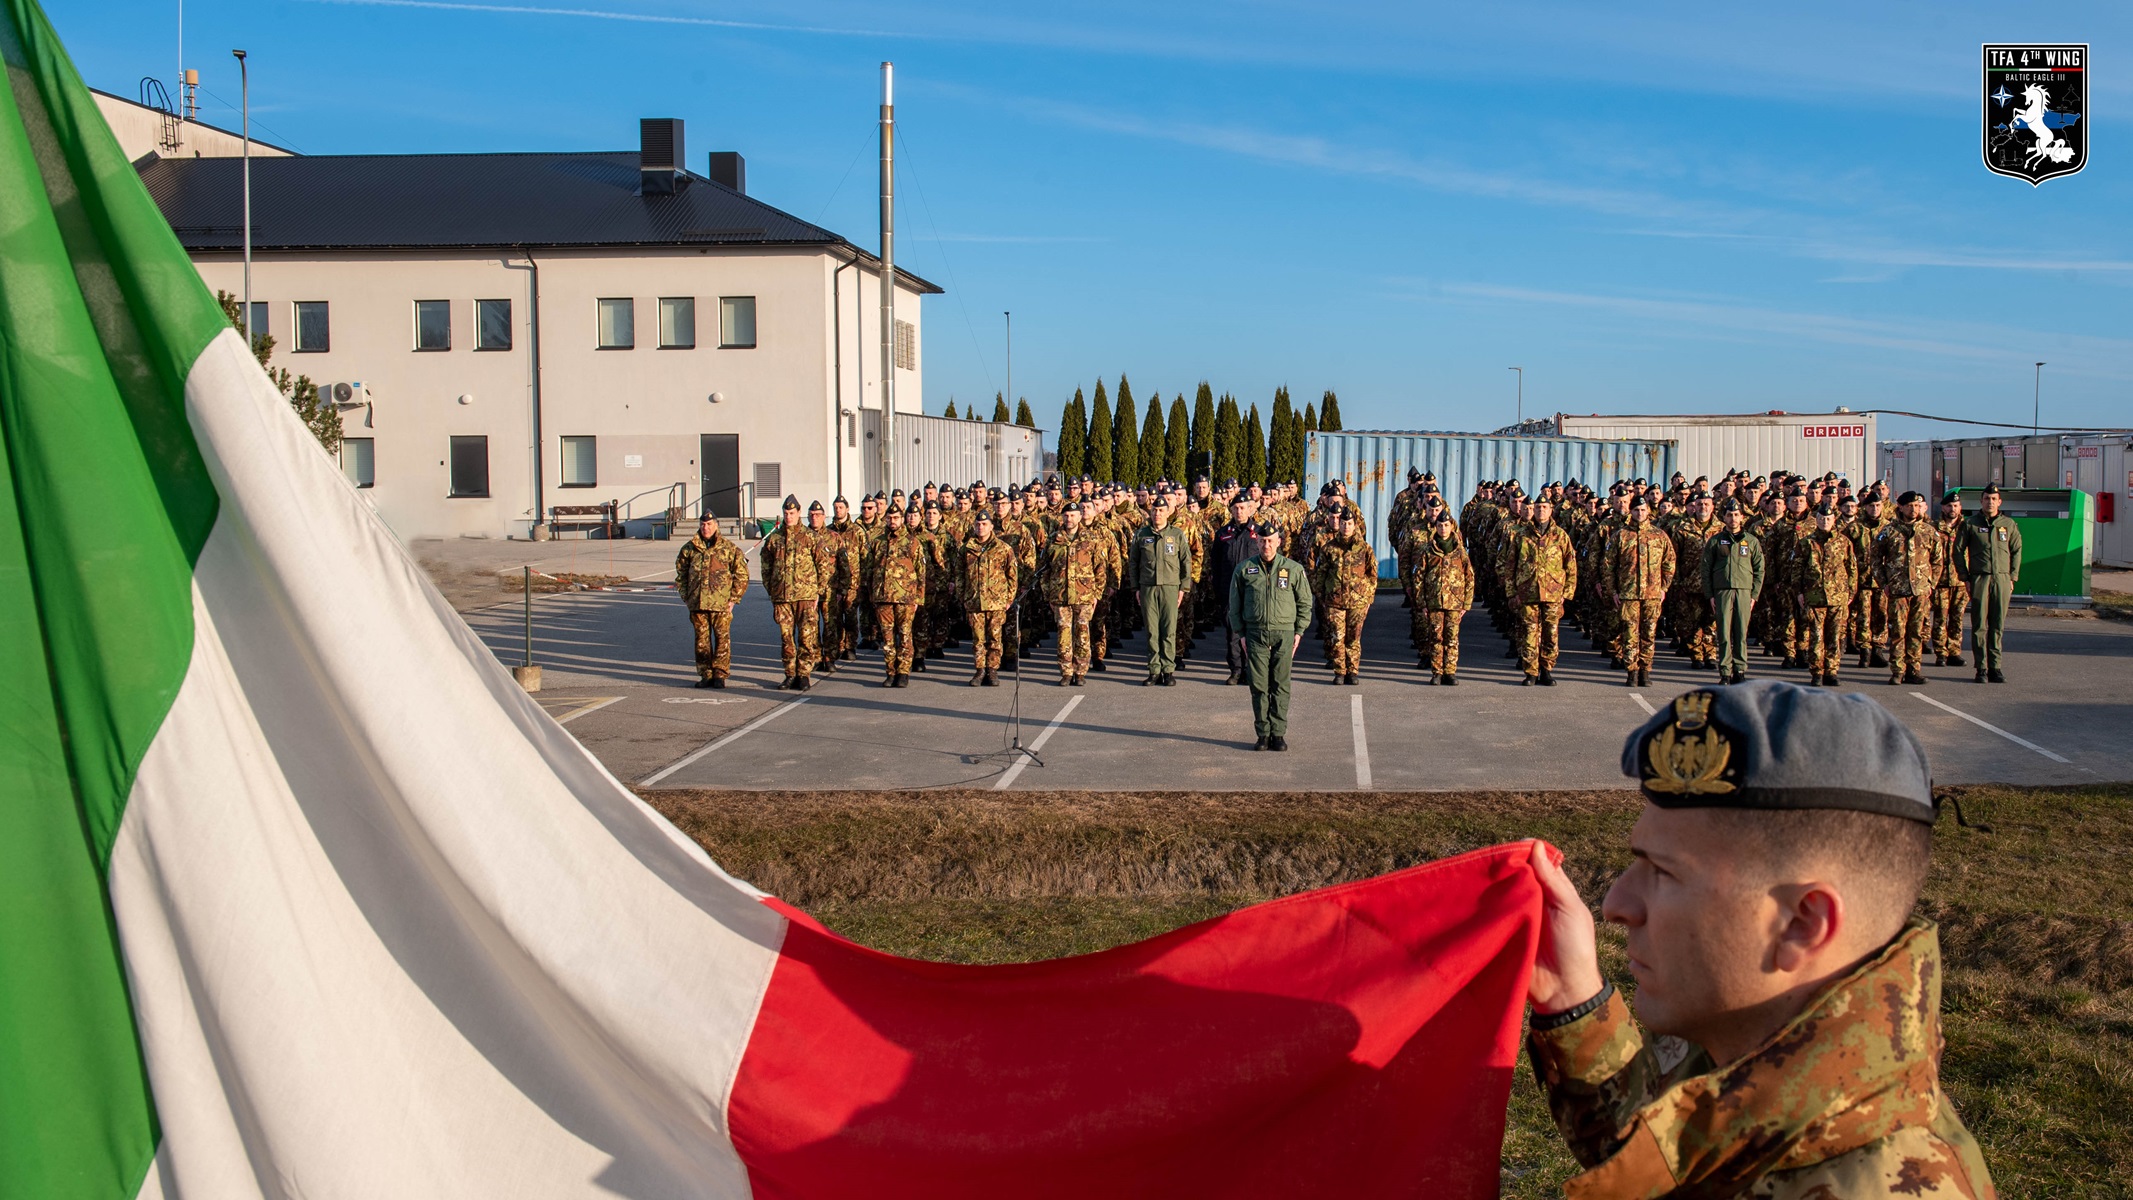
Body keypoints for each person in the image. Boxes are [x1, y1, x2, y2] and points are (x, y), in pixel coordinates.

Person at [1524, 681, 1994, 1197]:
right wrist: (1572, 997)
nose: (1616, 905)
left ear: (1801, 924)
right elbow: (1668, 1154)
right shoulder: (1759, 1049)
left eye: (1663, 872)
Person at [1228, 522, 1313, 751]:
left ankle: (1278, 733)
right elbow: (1234, 604)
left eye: (1271, 540)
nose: (1266, 545)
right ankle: (1263, 733)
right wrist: (1241, 633)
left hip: (1284, 633)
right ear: (1257, 542)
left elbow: (1305, 602)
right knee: (1258, 685)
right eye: (1263, 541)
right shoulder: (1244, 569)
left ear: (1279, 542)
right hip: (1255, 634)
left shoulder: (1293, 569)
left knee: (1280, 684)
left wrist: (1299, 631)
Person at [1599, 493, 1676, 689]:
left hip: (1652, 594)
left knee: (1649, 634)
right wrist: (1613, 591)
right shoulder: (1621, 536)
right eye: (1636, 510)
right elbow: (1608, 566)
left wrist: (1664, 587)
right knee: (1630, 634)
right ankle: (1631, 671)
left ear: (1648, 511)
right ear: (1631, 512)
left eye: (1643, 510)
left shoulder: (1659, 536)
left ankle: (1645, 670)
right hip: (1628, 594)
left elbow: (1669, 562)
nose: (1640, 513)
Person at [1874, 491, 1945, 688]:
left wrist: (1931, 583)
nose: (1913, 510)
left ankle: (1914, 669)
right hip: (1897, 590)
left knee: (1916, 631)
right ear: (1901, 507)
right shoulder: (1888, 532)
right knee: (1898, 631)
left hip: (1920, 590)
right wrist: (1884, 583)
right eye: (1910, 506)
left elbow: (1938, 561)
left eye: (1917, 505)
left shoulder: (1928, 531)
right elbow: (1875, 560)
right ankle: (1897, 671)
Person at [759, 495, 829, 690]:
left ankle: (804, 674)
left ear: (799, 513)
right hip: (782, 597)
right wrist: (772, 591)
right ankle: (790, 674)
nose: (788, 517)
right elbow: (766, 566)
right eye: (786, 513)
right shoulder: (775, 539)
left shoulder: (810, 537)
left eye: (792, 513)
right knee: (786, 638)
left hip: (806, 596)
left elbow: (823, 566)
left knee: (807, 637)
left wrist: (818, 592)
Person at [1956, 484, 2022, 684]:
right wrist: (1965, 577)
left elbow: (2017, 550)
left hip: (2001, 579)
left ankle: (1995, 667)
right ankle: (1981, 668)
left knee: (1997, 625)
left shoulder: (2008, 524)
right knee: (1979, 625)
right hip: (1980, 578)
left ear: (1999, 502)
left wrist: (2012, 577)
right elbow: (1958, 551)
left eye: (1994, 499)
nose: (1990, 502)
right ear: (1981, 501)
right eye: (1986, 498)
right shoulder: (1970, 524)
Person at [673, 513, 747, 689]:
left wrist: (734, 599)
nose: (706, 528)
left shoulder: (728, 548)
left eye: (709, 524)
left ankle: (720, 675)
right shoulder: (689, 549)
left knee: (722, 640)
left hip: (720, 604)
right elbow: (681, 575)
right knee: (701, 641)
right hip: (697, 604)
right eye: (703, 524)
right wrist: (687, 596)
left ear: (716, 525)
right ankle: (705, 674)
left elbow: (742, 575)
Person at [1511, 496, 1578, 686]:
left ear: (1551, 510)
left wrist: (1567, 593)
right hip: (1528, 592)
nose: (1541, 510)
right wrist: (1512, 592)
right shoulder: (1522, 535)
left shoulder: (1560, 536)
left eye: (1545, 507)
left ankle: (1546, 669)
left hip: (1553, 594)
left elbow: (1570, 565)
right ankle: (1531, 672)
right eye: (1538, 507)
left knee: (1551, 633)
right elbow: (1510, 565)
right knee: (1529, 633)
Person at [1791, 502, 1858, 687]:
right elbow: (1797, 570)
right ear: (1816, 521)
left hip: (1837, 597)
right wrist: (1799, 593)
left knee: (1834, 636)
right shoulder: (1806, 543)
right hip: (1814, 596)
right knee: (1816, 636)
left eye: (1828, 519)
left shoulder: (1843, 542)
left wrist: (1851, 591)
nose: (1825, 522)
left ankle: (1831, 670)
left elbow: (1851, 568)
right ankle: (1817, 672)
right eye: (1821, 519)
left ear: (1833, 520)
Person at [864, 504, 928, 687]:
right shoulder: (877, 542)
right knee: (887, 638)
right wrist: (872, 596)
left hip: (905, 598)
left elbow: (921, 571)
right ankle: (890, 671)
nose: (892, 521)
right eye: (889, 518)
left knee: (905, 635)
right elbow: (869, 570)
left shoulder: (912, 542)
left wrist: (918, 598)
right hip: (883, 597)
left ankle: (903, 672)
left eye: (896, 518)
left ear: (902, 519)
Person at [1700, 499, 1764, 685]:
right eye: (1729, 515)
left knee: (1741, 633)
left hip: (1744, 592)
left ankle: (1740, 670)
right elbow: (1706, 569)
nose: (1733, 518)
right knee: (1724, 634)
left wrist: (1754, 595)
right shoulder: (1716, 541)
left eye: (1736, 515)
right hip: (1722, 592)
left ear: (1742, 517)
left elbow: (1760, 569)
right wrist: (1710, 594)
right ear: (1724, 517)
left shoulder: (1751, 541)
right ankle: (1725, 672)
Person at [1129, 493, 1190, 686]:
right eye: (1155, 510)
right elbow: (1133, 562)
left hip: (1170, 588)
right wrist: (1136, 587)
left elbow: (1185, 562)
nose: (1158, 514)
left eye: (1162, 510)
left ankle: (1168, 670)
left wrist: (1183, 588)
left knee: (1169, 630)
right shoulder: (1142, 534)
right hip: (1148, 587)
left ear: (1168, 512)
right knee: (1152, 631)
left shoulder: (1177, 535)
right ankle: (1154, 670)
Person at [1316, 509, 1379, 685]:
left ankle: (1353, 671)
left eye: (1349, 523)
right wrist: (1322, 597)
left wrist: (1368, 598)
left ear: (1355, 525)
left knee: (1353, 638)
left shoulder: (1364, 548)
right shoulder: (1329, 548)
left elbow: (1372, 575)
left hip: (1357, 601)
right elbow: (1320, 574)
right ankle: (1339, 672)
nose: (1345, 526)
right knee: (1337, 637)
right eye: (1343, 523)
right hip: (1334, 601)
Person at [1042, 503, 1103, 686]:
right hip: (1060, 596)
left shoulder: (1090, 538)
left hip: (1083, 595)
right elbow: (1044, 570)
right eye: (1066, 515)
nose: (1070, 519)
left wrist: (1096, 595)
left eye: (1073, 515)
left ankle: (1081, 671)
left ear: (1079, 517)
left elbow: (1100, 568)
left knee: (1082, 634)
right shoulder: (1054, 539)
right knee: (1063, 635)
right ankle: (1066, 671)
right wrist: (1049, 594)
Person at [1412, 511, 1474, 685]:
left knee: (1452, 638)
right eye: (1440, 525)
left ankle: (1450, 671)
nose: (1443, 529)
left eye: (1446, 525)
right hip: (1434, 601)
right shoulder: (1428, 550)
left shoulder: (1459, 551)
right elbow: (1419, 578)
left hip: (1454, 602)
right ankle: (1437, 671)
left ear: (1452, 527)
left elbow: (1469, 577)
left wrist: (1466, 604)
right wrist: (1422, 603)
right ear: (1436, 528)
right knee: (1436, 638)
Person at [960, 509, 1019, 686]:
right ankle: (980, 670)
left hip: (996, 602)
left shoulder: (1003, 548)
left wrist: (1009, 599)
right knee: (978, 639)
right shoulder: (967, 549)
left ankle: (992, 670)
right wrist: (963, 596)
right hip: (974, 600)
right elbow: (958, 574)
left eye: (984, 524)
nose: (981, 527)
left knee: (995, 638)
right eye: (978, 524)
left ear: (991, 526)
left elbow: (1012, 575)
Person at [1929, 492, 1969, 668]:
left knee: (1957, 618)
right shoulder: (1933, 528)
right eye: (1949, 506)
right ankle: (1941, 653)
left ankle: (1954, 651)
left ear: (1960, 508)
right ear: (1943, 508)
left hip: (1960, 581)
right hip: (1940, 581)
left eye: (1955, 506)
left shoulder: (1967, 527)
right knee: (1940, 618)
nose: (1952, 509)